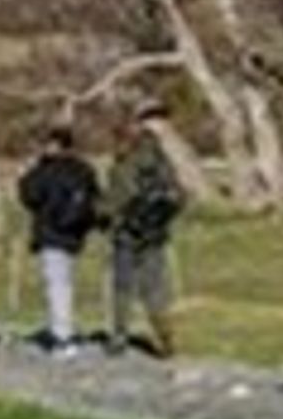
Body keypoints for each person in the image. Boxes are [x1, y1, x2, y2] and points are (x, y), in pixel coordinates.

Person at [103, 107, 191, 356]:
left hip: (126, 233)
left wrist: (102, 213)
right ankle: (164, 336)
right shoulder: (161, 160)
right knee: (155, 287)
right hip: (156, 233)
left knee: (123, 286)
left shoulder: (123, 165)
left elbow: (115, 201)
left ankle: (119, 335)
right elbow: (180, 196)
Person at [16, 121, 106, 353]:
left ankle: (61, 334)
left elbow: (29, 197)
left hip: (51, 233)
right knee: (65, 281)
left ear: (53, 145)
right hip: (75, 234)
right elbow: (97, 200)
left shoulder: (46, 170)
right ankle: (63, 327)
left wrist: (26, 173)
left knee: (56, 283)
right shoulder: (85, 170)